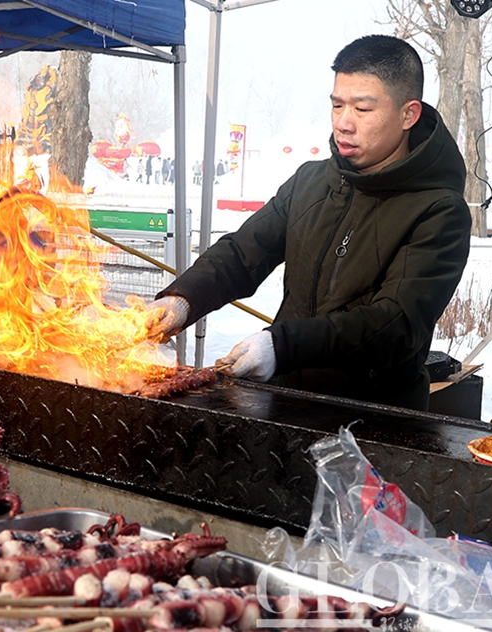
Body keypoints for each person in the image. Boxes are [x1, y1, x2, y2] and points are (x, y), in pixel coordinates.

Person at [144, 35, 470, 411]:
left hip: (374, 416)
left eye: (362, 109)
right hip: (287, 398)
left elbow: (395, 325)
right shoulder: (311, 181)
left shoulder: (439, 210)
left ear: (408, 115)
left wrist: (283, 346)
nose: (343, 123)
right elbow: (244, 252)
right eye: (337, 105)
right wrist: (183, 299)